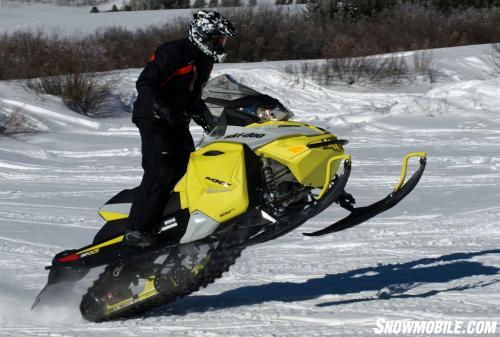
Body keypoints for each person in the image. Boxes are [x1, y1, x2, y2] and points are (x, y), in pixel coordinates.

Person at [124, 11, 238, 247]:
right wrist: (163, 109)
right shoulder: (173, 52)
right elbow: (145, 83)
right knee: (162, 168)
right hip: (153, 117)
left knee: (190, 166)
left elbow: (193, 96)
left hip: (177, 119)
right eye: (217, 38)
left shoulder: (204, 60)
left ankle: (173, 218)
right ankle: (137, 230)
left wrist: (210, 122)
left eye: (222, 40)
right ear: (202, 35)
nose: (220, 44)